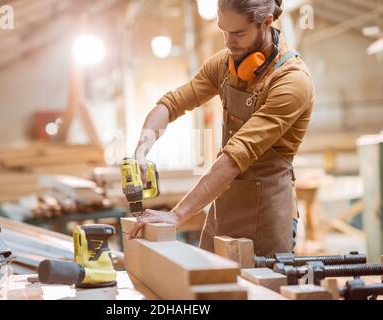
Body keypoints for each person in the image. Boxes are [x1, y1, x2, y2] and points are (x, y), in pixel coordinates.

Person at [129, 0, 314, 256]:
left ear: (267, 22)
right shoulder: (226, 65)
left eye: (238, 33)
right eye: (223, 30)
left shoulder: (291, 80)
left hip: (268, 214)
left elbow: (236, 155)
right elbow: (171, 104)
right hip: (222, 206)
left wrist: (177, 214)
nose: (228, 42)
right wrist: (141, 150)